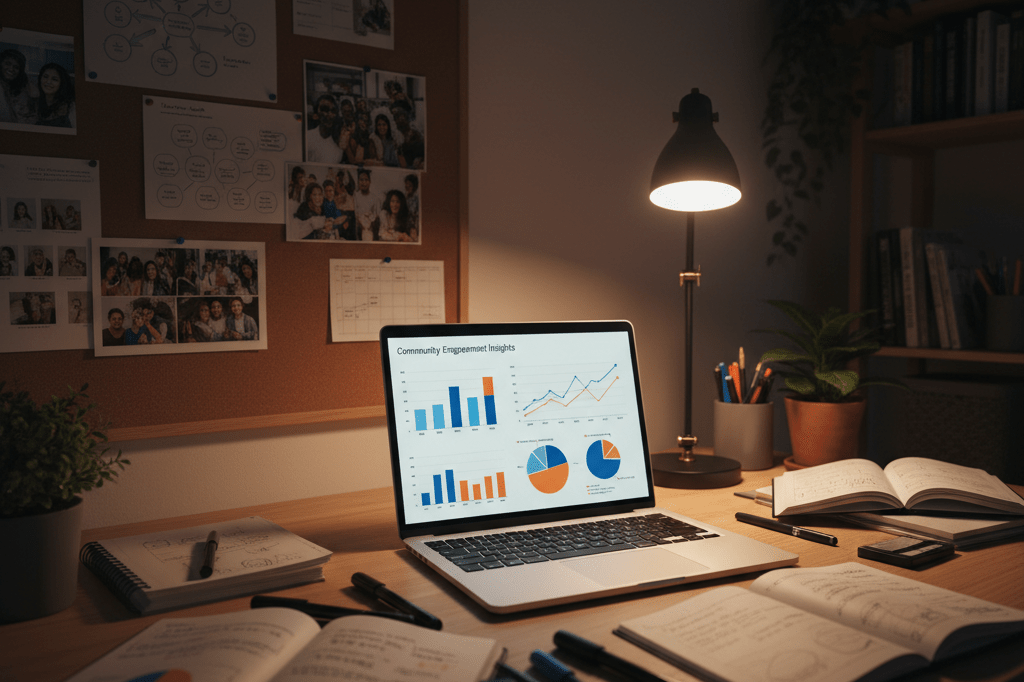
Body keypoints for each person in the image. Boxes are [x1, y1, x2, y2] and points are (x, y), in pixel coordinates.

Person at [0, 49, 36, 124]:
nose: (11, 69)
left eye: (16, 67)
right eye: (7, 64)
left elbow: (35, 95)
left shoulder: (20, 88)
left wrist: (25, 78)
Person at [306, 94, 344, 164]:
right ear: (316, 115)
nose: (330, 114)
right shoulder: (307, 137)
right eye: (325, 109)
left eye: (333, 111)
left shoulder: (339, 142)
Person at [35, 63, 75, 128]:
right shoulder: (34, 103)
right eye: (45, 77)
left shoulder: (70, 107)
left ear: (61, 83)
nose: (48, 82)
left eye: (54, 79)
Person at [353, 169, 382, 241]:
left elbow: (377, 215)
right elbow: (355, 213)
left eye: (366, 180)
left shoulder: (375, 199)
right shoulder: (355, 196)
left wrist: (369, 220)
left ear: (370, 182)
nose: (364, 182)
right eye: (361, 180)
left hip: (370, 229)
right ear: (358, 181)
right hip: (357, 229)